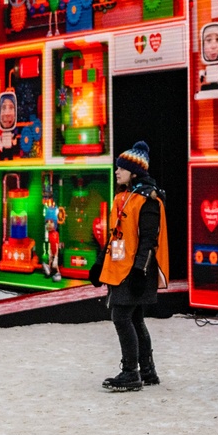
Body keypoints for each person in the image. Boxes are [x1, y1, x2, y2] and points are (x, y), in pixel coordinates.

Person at [97, 142, 166, 392]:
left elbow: (149, 241)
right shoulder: (124, 197)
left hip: (136, 270)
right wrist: (99, 264)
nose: (117, 171)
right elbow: (115, 235)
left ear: (134, 172)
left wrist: (139, 271)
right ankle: (147, 371)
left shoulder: (148, 200)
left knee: (121, 316)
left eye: (121, 168)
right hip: (122, 268)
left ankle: (130, 373)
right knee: (134, 318)